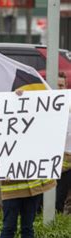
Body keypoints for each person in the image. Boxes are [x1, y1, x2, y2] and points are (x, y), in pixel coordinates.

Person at [0, 90, 57, 238]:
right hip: (12, 190)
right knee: (9, 228)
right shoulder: (2, 128)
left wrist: (26, 96)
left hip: (32, 189)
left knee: (26, 228)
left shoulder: (35, 126)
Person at [56, 72, 71, 213]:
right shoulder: (40, 108)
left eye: (62, 86)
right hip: (47, 167)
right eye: (56, 86)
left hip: (66, 166)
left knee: (59, 203)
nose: (59, 89)